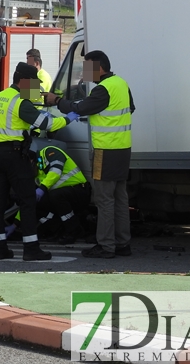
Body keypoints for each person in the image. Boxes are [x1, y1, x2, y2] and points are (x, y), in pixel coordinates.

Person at [44, 50, 135, 259]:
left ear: (99, 68)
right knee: (120, 198)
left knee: (104, 200)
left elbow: (81, 107)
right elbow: (130, 109)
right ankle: (122, 243)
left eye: (88, 67)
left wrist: (56, 100)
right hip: (122, 149)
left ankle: (106, 246)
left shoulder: (103, 89)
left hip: (105, 150)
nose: (85, 72)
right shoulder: (121, 83)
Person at [0, 62, 81, 261]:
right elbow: (47, 123)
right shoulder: (21, 102)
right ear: (22, 82)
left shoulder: (0, 97)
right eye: (33, 84)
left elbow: (11, 122)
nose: (36, 88)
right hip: (14, 156)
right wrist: (68, 118)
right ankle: (31, 249)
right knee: (28, 201)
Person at [32, 146, 91, 244]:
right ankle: (58, 229)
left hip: (80, 191)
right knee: (35, 203)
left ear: (31, 160)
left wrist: (42, 188)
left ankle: (74, 229)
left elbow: (56, 171)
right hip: (64, 197)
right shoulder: (37, 175)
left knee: (56, 195)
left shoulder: (49, 152)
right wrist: (15, 224)